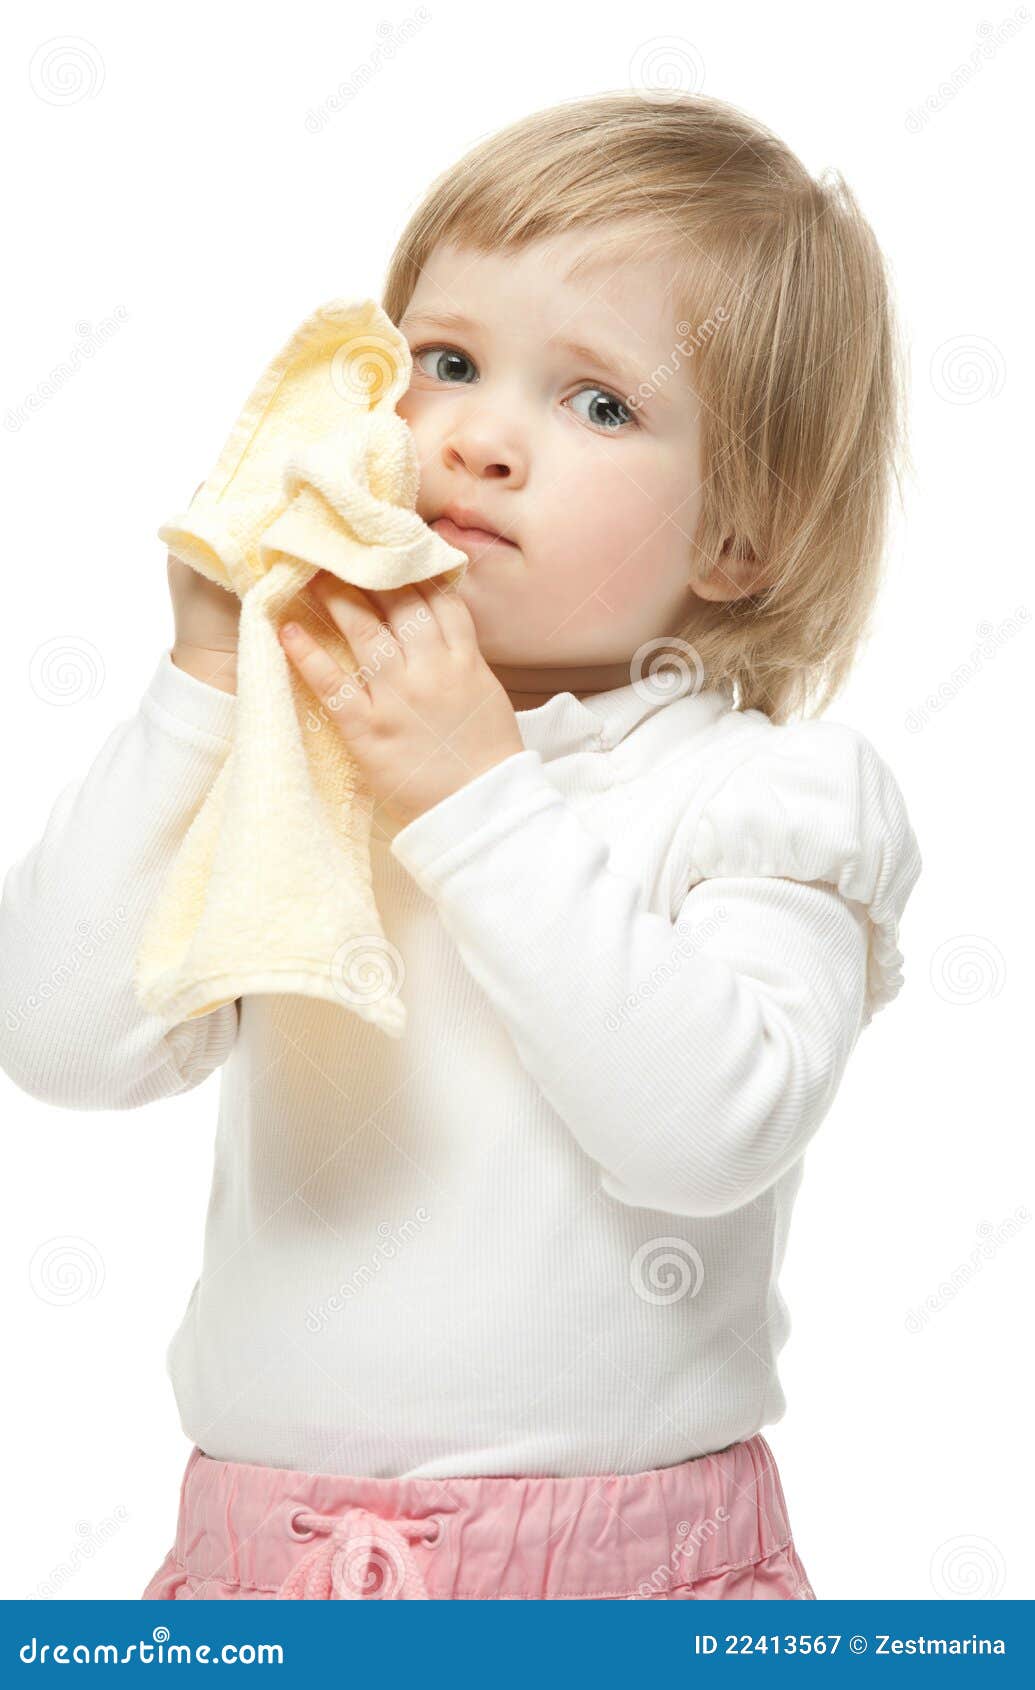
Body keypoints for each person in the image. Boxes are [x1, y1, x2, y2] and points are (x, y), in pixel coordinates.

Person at [0, 90, 921, 1601]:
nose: (480, 437)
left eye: (599, 403)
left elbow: (706, 1132)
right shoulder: (309, 755)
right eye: (446, 363)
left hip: (631, 1589)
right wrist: (206, 686)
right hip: (265, 1579)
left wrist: (472, 791)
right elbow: (56, 1038)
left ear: (739, 536)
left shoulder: (764, 797)